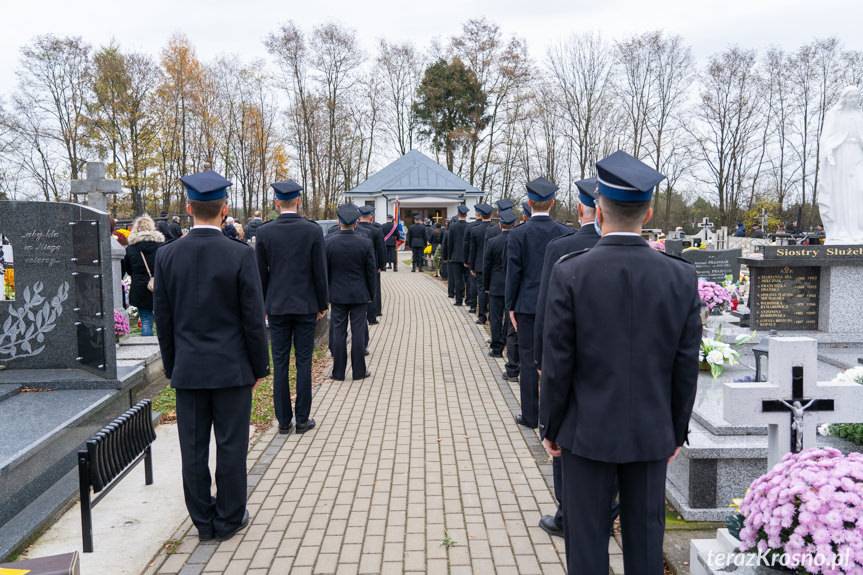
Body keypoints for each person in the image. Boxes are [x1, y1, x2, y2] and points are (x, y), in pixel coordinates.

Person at [540, 150, 701, 574]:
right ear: (647, 212)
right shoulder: (680, 276)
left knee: (587, 542)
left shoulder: (571, 272)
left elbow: (559, 361)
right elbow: (685, 366)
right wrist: (676, 432)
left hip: (585, 431)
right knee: (646, 543)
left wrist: (550, 426)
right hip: (651, 432)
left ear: (599, 211)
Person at [153, 169, 269, 543]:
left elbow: (164, 321)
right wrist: (259, 366)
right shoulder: (238, 255)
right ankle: (230, 517)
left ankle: (202, 519)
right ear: (225, 208)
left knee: (193, 447)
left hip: (188, 369)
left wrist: (173, 367)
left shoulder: (167, 255)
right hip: (232, 369)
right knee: (232, 445)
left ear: (189, 208)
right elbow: (253, 318)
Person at [533, 177, 601, 539]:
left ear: (580, 209)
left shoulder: (563, 249)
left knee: (565, 436)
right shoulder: (651, 259)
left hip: (573, 369)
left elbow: (547, 312)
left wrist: (543, 363)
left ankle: (567, 513)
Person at [255, 179, 328, 435]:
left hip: (276, 307)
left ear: (277, 202)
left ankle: (283, 421)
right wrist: (322, 304)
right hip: (306, 305)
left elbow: (260, 274)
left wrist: (263, 304)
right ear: (298, 201)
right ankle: (302, 419)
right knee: (304, 362)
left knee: (281, 363)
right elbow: (320, 271)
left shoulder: (264, 233)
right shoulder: (312, 230)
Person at [505, 177, 569, 430]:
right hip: (558, 303)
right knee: (556, 359)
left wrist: (511, 306)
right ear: (552, 202)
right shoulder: (565, 233)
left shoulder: (519, 234)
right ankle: (555, 416)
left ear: (530, 203)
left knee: (529, 360)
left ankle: (530, 416)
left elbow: (514, 274)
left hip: (528, 305)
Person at [326, 204, 375, 381]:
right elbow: (371, 272)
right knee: (358, 332)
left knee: (338, 332)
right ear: (356, 222)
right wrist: (371, 294)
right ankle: (359, 371)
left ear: (339, 221)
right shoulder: (365, 243)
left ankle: (338, 372)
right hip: (359, 294)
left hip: (337, 294)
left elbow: (325, 271)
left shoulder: (328, 242)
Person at [123, 215, 165, 337]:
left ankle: (146, 348)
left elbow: (128, 269)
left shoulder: (131, 249)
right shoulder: (161, 246)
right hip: (160, 286)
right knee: (163, 321)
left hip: (140, 287)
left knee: (146, 321)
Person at [483, 208, 516, 358]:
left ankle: (496, 348)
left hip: (496, 285)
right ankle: (504, 342)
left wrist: (486, 285)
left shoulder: (492, 242)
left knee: (495, 317)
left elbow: (487, 266)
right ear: (514, 224)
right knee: (509, 318)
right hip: (513, 285)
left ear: (500, 224)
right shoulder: (518, 240)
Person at [358, 205, 385, 323]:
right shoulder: (376, 230)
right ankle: (372, 315)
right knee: (373, 289)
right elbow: (381, 250)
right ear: (371, 217)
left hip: (358, 264)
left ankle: (360, 313)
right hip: (373, 264)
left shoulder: (356, 229)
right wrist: (381, 265)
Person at [467, 203, 493, 324]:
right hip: (493, 264)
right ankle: (491, 315)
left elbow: (473, 250)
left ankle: (482, 316)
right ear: (491, 215)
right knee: (491, 291)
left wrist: (471, 266)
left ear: (480, 215)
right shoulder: (495, 229)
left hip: (479, 264)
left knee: (481, 290)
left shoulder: (475, 230)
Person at [445, 206, 469, 305]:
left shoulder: (453, 226)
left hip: (455, 256)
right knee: (468, 280)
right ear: (466, 215)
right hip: (467, 257)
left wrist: (449, 256)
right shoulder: (469, 226)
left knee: (458, 279)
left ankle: (459, 300)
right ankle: (469, 301)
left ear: (458, 214)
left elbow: (450, 243)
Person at [463, 206, 483, 312]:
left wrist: (467, 261)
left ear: (476, 215)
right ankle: (484, 308)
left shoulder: (471, 227)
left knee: (473, 284)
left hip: (475, 260)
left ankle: (473, 305)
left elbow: (467, 245)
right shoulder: (493, 227)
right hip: (488, 262)